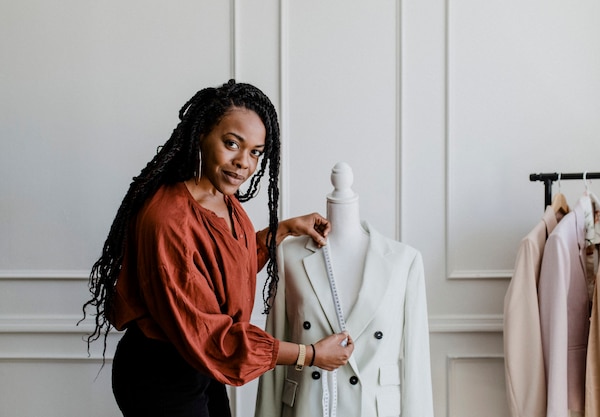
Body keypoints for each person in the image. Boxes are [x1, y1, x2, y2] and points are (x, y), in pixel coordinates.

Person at [80, 80, 354, 417]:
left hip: (200, 364)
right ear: (201, 135)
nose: (244, 163)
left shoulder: (220, 196)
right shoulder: (168, 220)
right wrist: (309, 355)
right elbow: (212, 336)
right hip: (162, 375)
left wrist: (282, 230)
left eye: (255, 152)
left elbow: (223, 269)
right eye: (232, 144)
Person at [255, 162, 434, 417]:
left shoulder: (404, 261)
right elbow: (274, 349)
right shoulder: (288, 255)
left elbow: (417, 367)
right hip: (307, 407)